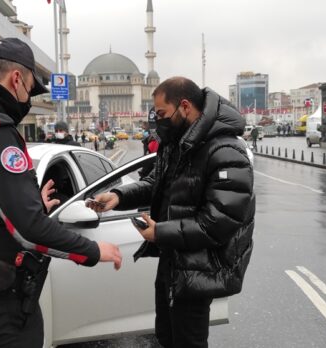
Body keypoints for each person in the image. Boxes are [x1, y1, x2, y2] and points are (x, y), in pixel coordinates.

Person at [0, 37, 122, 347]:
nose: (28, 98)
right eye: (29, 88)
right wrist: (93, 251)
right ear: (15, 79)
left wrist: (28, 202)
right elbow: (30, 229)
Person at [89, 77, 255, 348]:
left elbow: (220, 221)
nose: (158, 121)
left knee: (188, 341)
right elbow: (155, 183)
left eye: (162, 114)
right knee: (166, 337)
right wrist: (118, 196)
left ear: (185, 106)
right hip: (172, 257)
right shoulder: (177, 142)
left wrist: (160, 231)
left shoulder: (226, 150)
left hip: (198, 267)